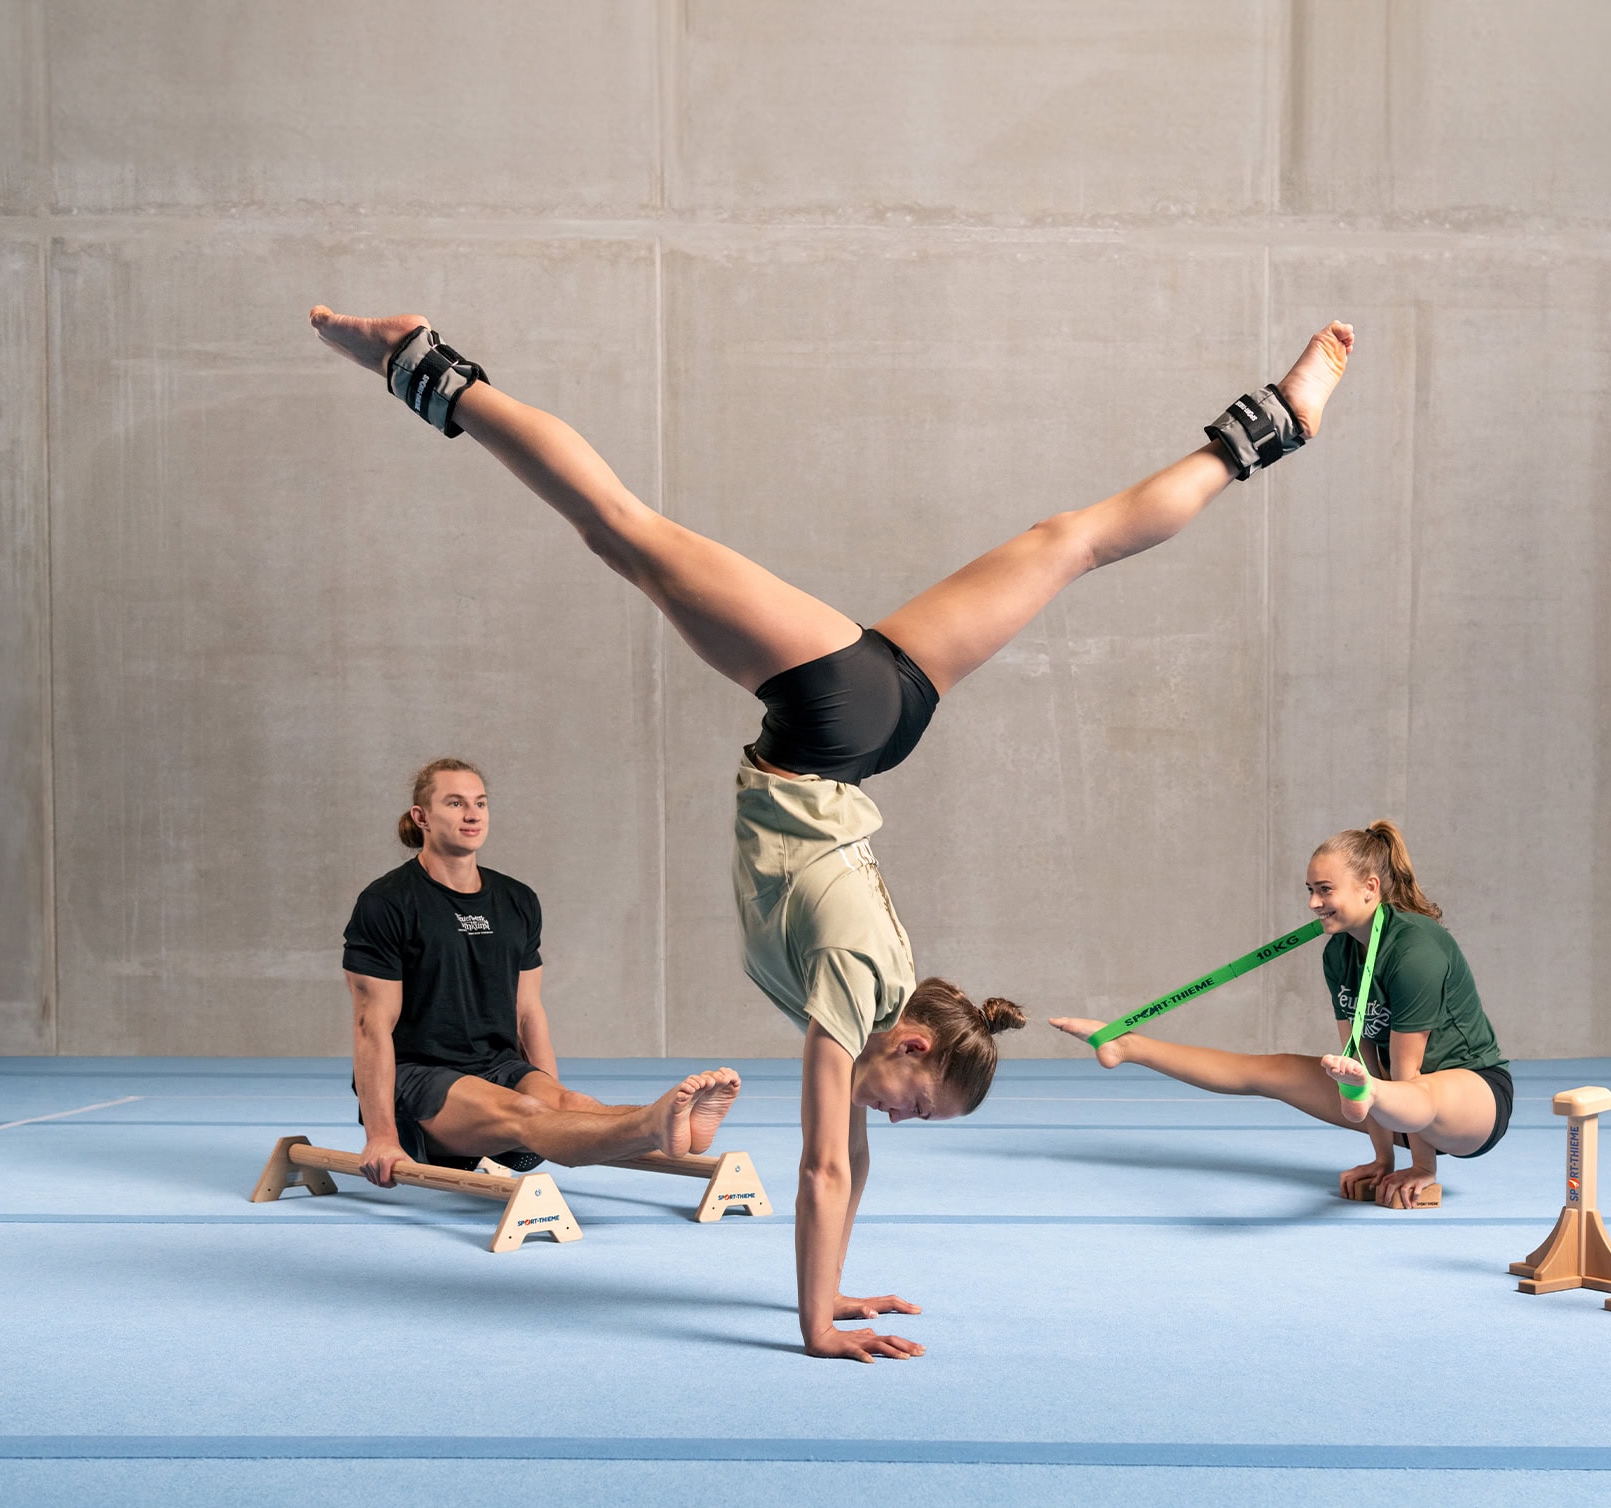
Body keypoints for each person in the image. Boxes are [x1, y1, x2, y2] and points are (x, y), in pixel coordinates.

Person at [311, 301, 1354, 1357]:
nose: (895, 1118)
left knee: (1072, 542)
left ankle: (1275, 423)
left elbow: (845, 1161)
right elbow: (823, 1167)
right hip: (825, 720)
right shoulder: (857, 991)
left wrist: (833, 1294)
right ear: (908, 1044)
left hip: (878, 722)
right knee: (620, 529)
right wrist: (814, 1327)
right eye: (917, 1103)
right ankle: (417, 361)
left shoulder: (871, 1012)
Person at [1050, 820, 1512, 1209]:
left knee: (1413, 1088)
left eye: (1325, 890)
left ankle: (1410, 1143)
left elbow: (1407, 1076)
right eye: (1310, 891)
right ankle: (1127, 1045)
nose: (1313, 903)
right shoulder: (1339, 954)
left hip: (1470, 1101)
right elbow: (1364, 1061)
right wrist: (1382, 1162)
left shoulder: (1416, 949)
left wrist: (1421, 1168)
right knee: (1270, 1070)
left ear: (1370, 888)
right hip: (1387, 1101)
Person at [344, 757, 743, 1189]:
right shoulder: (387, 902)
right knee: (529, 1114)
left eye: (480, 802)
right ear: (421, 817)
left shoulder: (516, 900)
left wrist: (562, 1112)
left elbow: (528, 1011)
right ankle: (654, 1123)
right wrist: (381, 1135)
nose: (473, 814)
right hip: (420, 1079)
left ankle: (671, 1122)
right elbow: (371, 1026)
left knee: (574, 1101)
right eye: (455, 803)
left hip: (497, 1066)